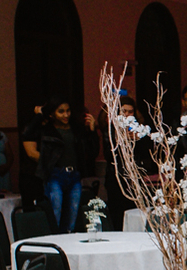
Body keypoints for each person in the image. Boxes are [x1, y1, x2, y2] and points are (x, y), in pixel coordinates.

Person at [23, 97, 99, 233]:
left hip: (75, 175)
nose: (66, 115)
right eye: (61, 112)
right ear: (52, 114)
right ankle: (54, 245)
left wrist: (92, 131)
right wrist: (39, 115)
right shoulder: (47, 129)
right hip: (55, 174)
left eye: (68, 111)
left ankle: (68, 244)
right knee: (55, 212)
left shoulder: (76, 129)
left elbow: (92, 153)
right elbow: (27, 134)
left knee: (73, 215)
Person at [103, 93, 154, 230]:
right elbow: (109, 154)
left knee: (135, 212)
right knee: (117, 214)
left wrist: (138, 140)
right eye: (123, 111)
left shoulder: (138, 129)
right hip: (116, 178)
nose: (126, 115)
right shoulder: (111, 129)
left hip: (135, 178)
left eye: (130, 112)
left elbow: (147, 154)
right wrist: (121, 140)